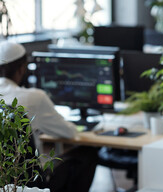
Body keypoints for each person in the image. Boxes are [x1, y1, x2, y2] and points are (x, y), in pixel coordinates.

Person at [0, 40, 98, 192]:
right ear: (22, 68)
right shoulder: (34, 97)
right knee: (87, 152)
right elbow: (69, 132)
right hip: (31, 184)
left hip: (5, 181)